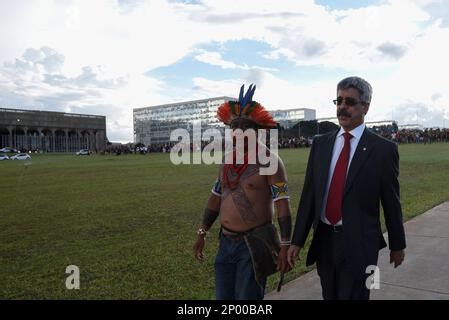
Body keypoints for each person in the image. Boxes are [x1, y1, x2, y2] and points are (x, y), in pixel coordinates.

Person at [287, 76, 406, 300]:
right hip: (325, 242)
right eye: (339, 101)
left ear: (365, 107)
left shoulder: (383, 150)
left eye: (350, 102)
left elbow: (391, 201)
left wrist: (397, 245)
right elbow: (309, 196)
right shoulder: (321, 144)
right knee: (329, 295)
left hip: (361, 244)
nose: (342, 107)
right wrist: (297, 241)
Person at [193, 84, 292, 300]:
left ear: (254, 133)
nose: (237, 136)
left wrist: (285, 245)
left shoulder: (271, 163)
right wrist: (202, 232)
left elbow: (283, 206)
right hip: (225, 243)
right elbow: (215, 198)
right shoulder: (227, 162)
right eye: (233, 131)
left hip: (253, 245)